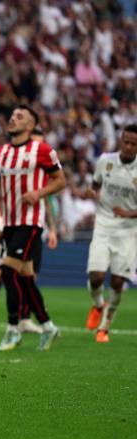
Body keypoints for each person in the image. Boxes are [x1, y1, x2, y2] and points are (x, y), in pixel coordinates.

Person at [0, 105, 66, 351]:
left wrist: (39, 193)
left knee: (7, 271)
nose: (13, 119)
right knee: (25, 280)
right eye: (12, 115)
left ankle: (13, 329)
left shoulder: (42, 150)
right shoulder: (1, 153)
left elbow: (60, 181)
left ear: (30, 126)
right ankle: (48, 327)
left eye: (20, 117)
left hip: (31, 221)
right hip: (11, 223)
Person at [84, 124, 137, 343]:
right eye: (126, 142)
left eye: (134, 144)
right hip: (104, 226)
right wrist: (92, 191)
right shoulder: (105, 161)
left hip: (128, 232)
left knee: (117, 282)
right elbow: (96, 182)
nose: (129, 147)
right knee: (96, 277)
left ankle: (104, 327)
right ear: (120, 141)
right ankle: (98, 305)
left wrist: (128, 212)